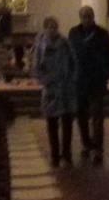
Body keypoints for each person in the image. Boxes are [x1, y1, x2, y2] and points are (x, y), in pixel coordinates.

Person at [67, 5, 109, 164]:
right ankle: (86, 144)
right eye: (84, 16)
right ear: (80, 17)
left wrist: (104, 70)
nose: (87, 18)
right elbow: (70, 54)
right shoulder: (73, 33)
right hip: (79, 81)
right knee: (81, 114)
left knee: (97, 116)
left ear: (93, 16)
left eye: (89, 15)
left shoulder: (102, 33)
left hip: (97, 80)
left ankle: (98, 149)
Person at [32, 16, 77, 167]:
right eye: (50, 27)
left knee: (67, 122)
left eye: (55, 26)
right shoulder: (40, 44)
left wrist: (71, 79)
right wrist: (43, 80)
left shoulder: (65, 42)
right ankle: (55, 155)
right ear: (45, 28)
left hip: (65, 87)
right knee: (51, 123)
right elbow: (36, 65)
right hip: (50, 87)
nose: (53, 29)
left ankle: (67, 154)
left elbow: (73, 61)